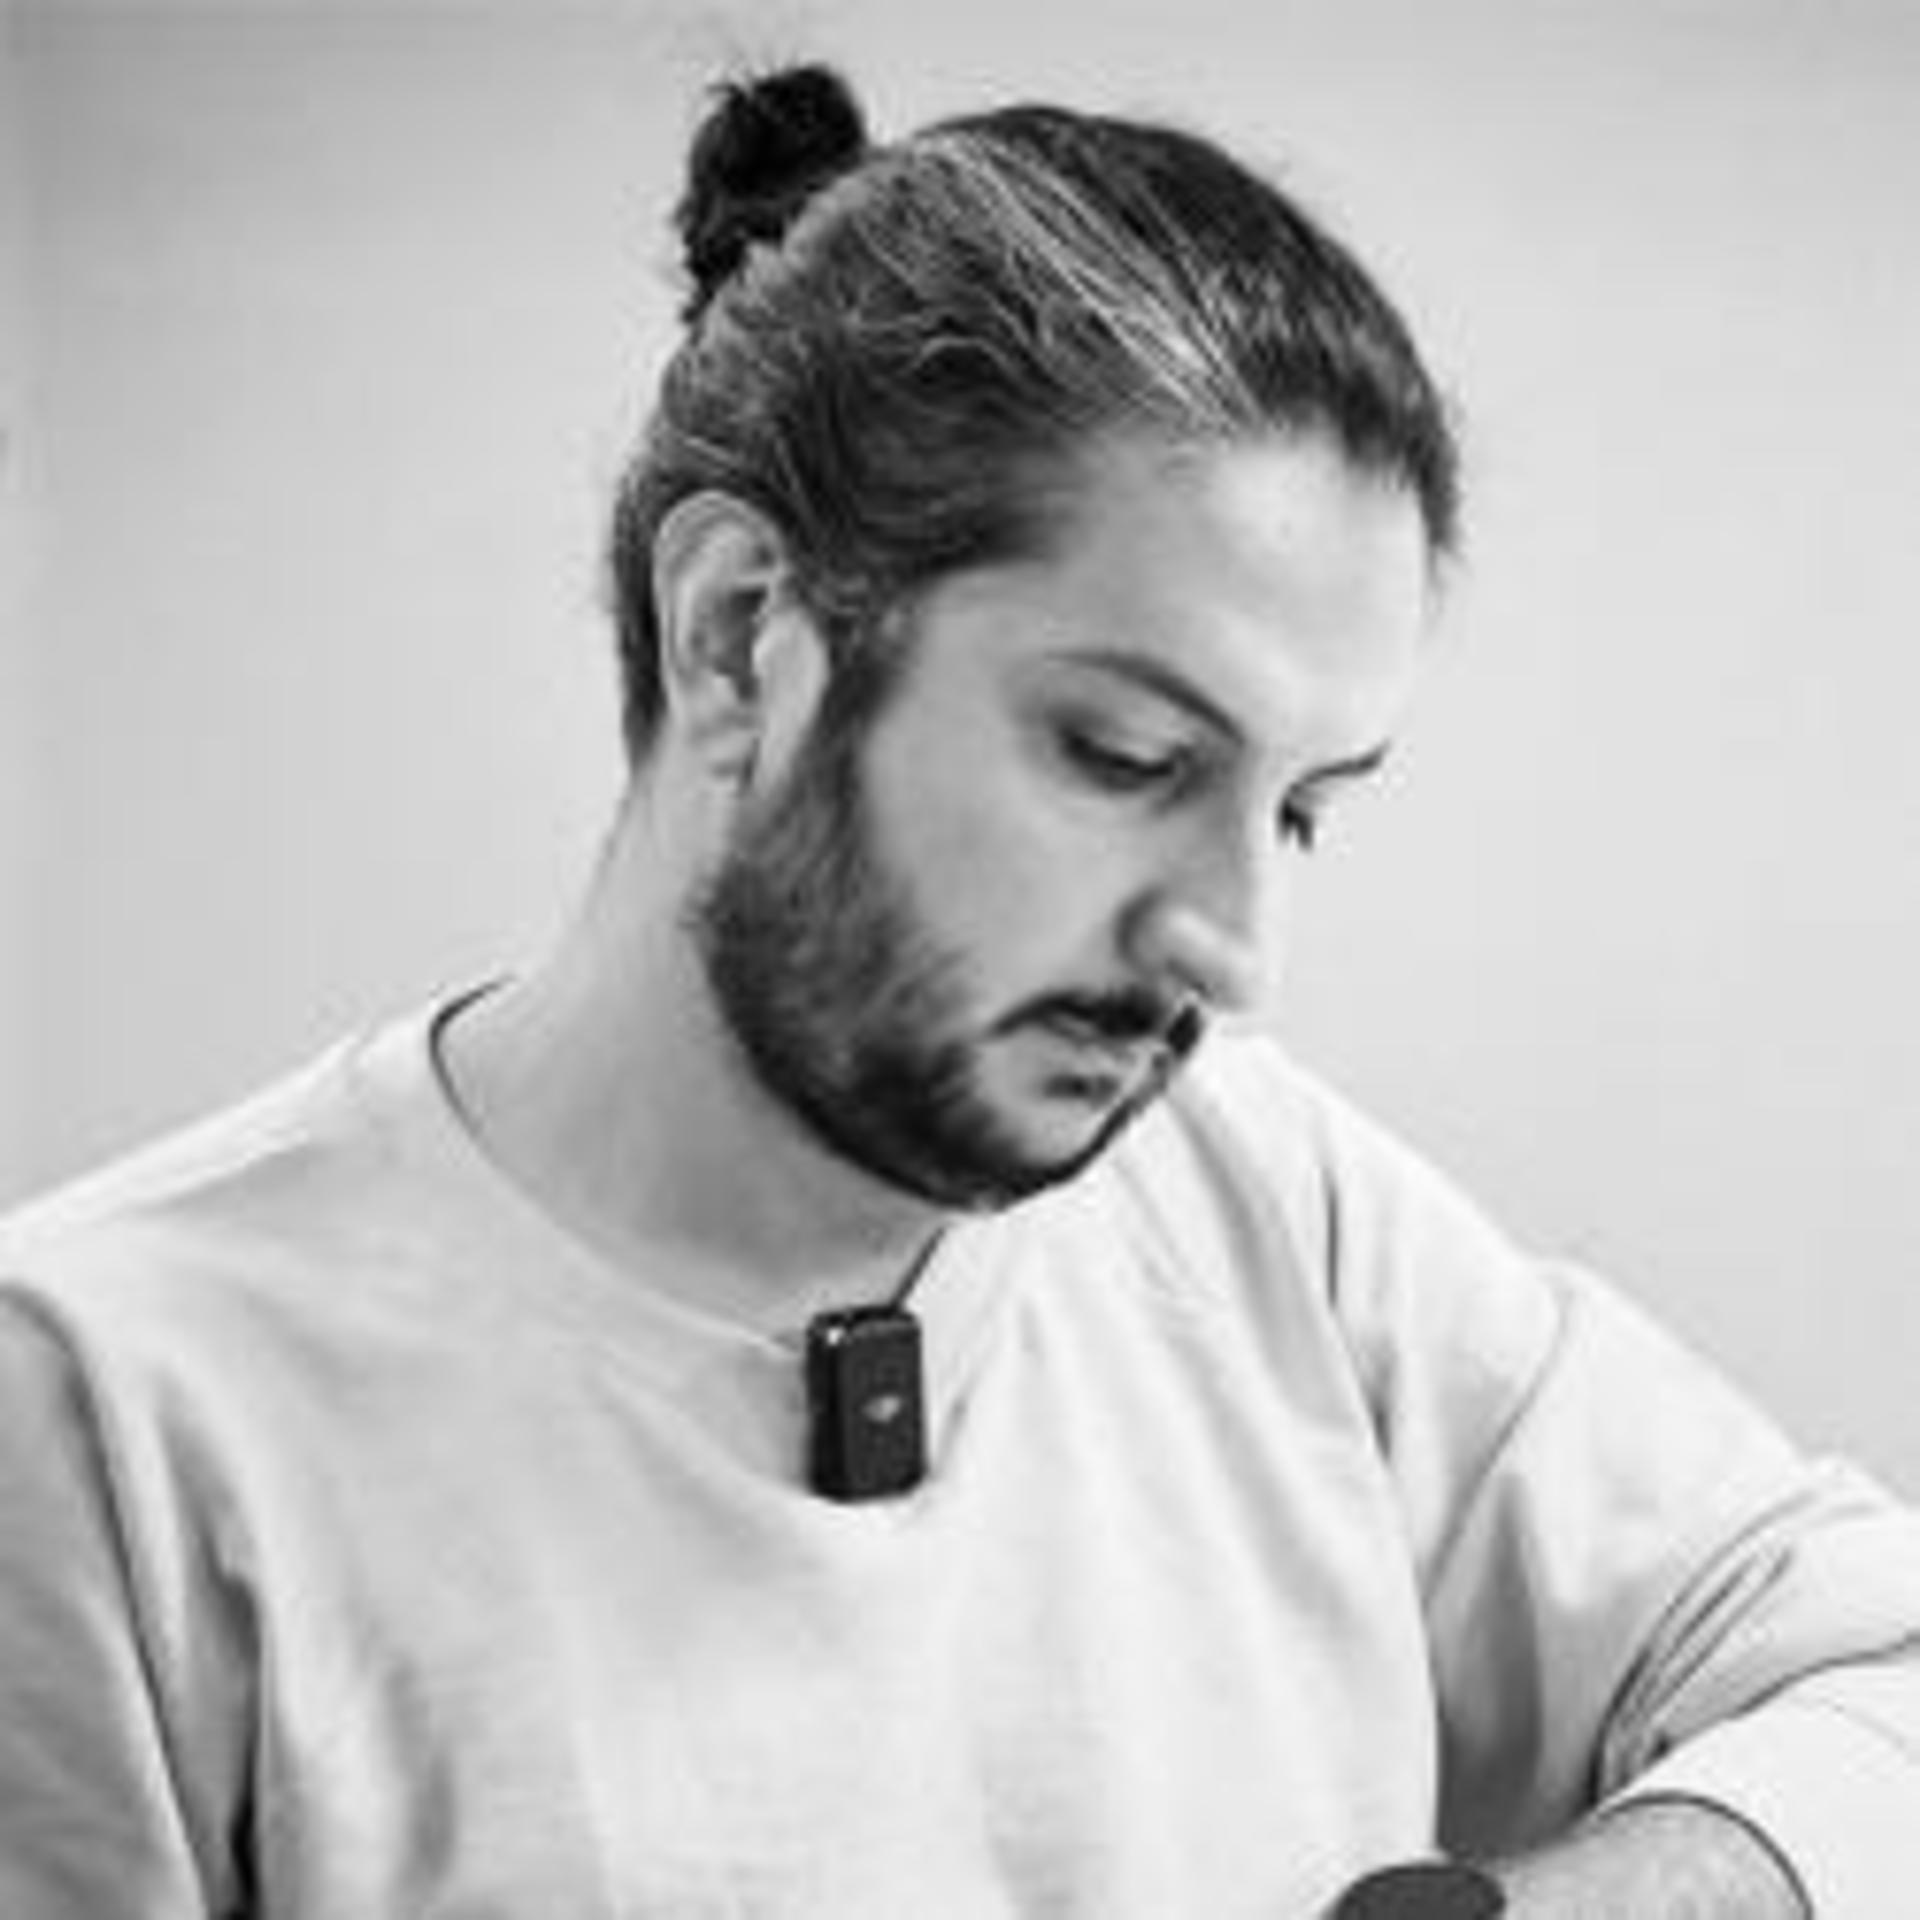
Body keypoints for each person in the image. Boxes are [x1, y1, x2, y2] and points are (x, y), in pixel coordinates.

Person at [2, 63, 1917, 1920]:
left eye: (1301, 813)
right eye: (1125, 756)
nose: (1233, 953)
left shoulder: (1270, 1210)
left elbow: (1880, 1672)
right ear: (741, 635)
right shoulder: (99, 1416)